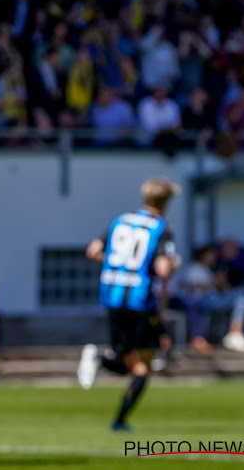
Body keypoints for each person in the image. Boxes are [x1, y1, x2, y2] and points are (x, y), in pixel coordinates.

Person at [77, 177, 180, 431]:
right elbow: (163, 269)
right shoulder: (161, 227)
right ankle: (116, 411)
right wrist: (172, 264)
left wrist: (116, 265)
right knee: (141, 367)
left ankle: (119, 420)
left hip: (112, 295)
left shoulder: (120, 221)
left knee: (134, 365)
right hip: (139, 301)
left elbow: (92, 250)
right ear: (166, 202)